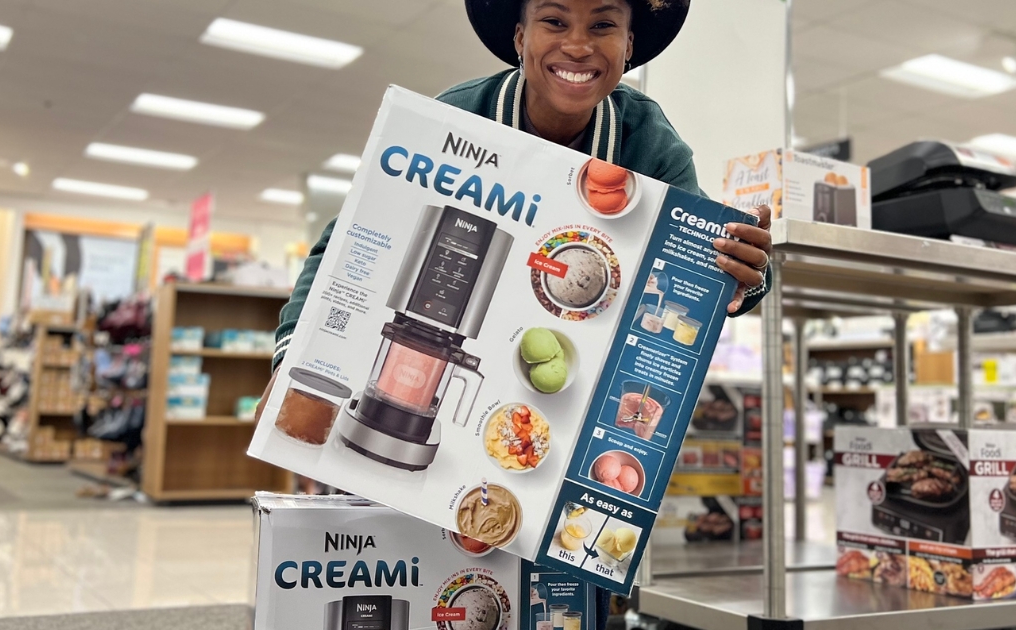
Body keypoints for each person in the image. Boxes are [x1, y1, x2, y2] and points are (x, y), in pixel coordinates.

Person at [264, 0, 773, 626]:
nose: (579, 45)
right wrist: (293, 358)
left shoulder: (648, 141)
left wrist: (742, 277)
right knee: (423, 583)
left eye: (603, 25)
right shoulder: (457, 117)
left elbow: (708, 271)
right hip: (416, 471)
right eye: (555, 21)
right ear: (519, 35)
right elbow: (342, 246)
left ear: (631, 42)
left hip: (565, 436)